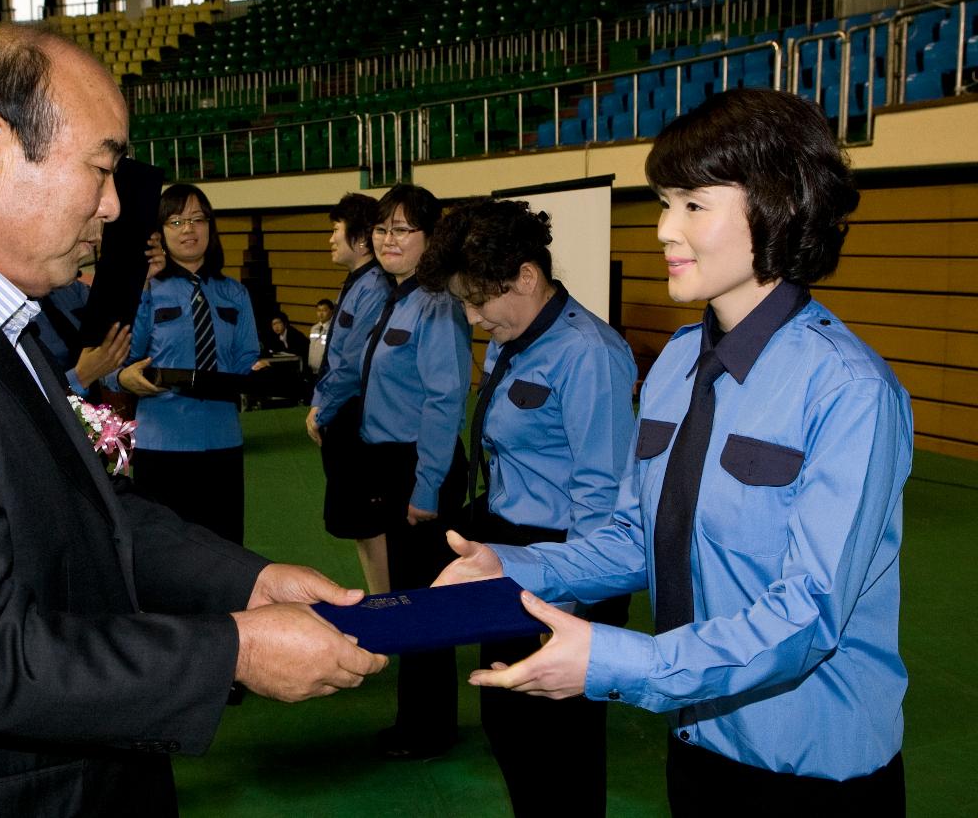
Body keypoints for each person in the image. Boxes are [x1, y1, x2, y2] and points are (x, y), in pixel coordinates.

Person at [0, 25, 385, 818]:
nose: (115, 206)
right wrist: (237, 649)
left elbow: (85, 510)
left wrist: (247, 582)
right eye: (103, 168)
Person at [437, 88, 911, 815]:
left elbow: (808, 615)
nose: (662, 228)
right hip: (697, 745)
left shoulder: (849, 390)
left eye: (693, 204)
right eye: (664, 202)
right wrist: (517, 566)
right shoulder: (675, 366)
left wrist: (620, 661)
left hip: (814, 775)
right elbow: (640, 536)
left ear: (777, 205)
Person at [417, 198, 636, 816]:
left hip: (568, 562)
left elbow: (603, 494)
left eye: (479, 299)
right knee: (511, 728)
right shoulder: (519, 337)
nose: (472, 314)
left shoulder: (588, 352)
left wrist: (559, 607)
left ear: (528, 277)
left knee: (558, 746)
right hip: (512, 553)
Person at [360, 183, 471, 759]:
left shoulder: (438, 304)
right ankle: (417, 720)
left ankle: (429, 729)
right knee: (410, 597)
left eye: (403, 229)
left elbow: (444, 400)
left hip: (421, 468)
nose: (388, 239)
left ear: (431, 240)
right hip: (392, 465)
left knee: (426, 604)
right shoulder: (395, 297)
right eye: (382, 229)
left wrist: (425, 486)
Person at [120, 183, 262, 546]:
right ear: (160, 232)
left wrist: (260, 377)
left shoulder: (235, 292)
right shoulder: (146, 290)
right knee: (166, 552)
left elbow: (247, 359)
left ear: (211, 227)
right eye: (176, 220)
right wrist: (123, 376)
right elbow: (120, 358)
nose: (189, 229)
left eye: (198, 219)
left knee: (227, 546)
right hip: (161, 445)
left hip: (223, 441)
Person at [305, 192, 392, 594]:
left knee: (371, 527)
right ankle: (383, 601)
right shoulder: (358, 282)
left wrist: (321, 409)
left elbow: (352, 364)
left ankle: (387, 605)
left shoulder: (374, 286)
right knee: (362, 528)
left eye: (335, 230)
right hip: (344, 414)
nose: (329, 240)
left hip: (358, 418)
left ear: (359, 240)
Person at [32, 273, 132, 398]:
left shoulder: (72, 288)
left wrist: (119, 377)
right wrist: (80, 377)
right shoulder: (14, 320)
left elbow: (108, 346)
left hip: (103, 398)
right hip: (61, 406)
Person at [307, 298, 334, 376]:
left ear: (332, 311)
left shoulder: (333, 329)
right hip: (312, 370)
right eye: (319, 310)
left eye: (324, 311)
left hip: (326, 371)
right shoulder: (314, 328)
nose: (321, 314)